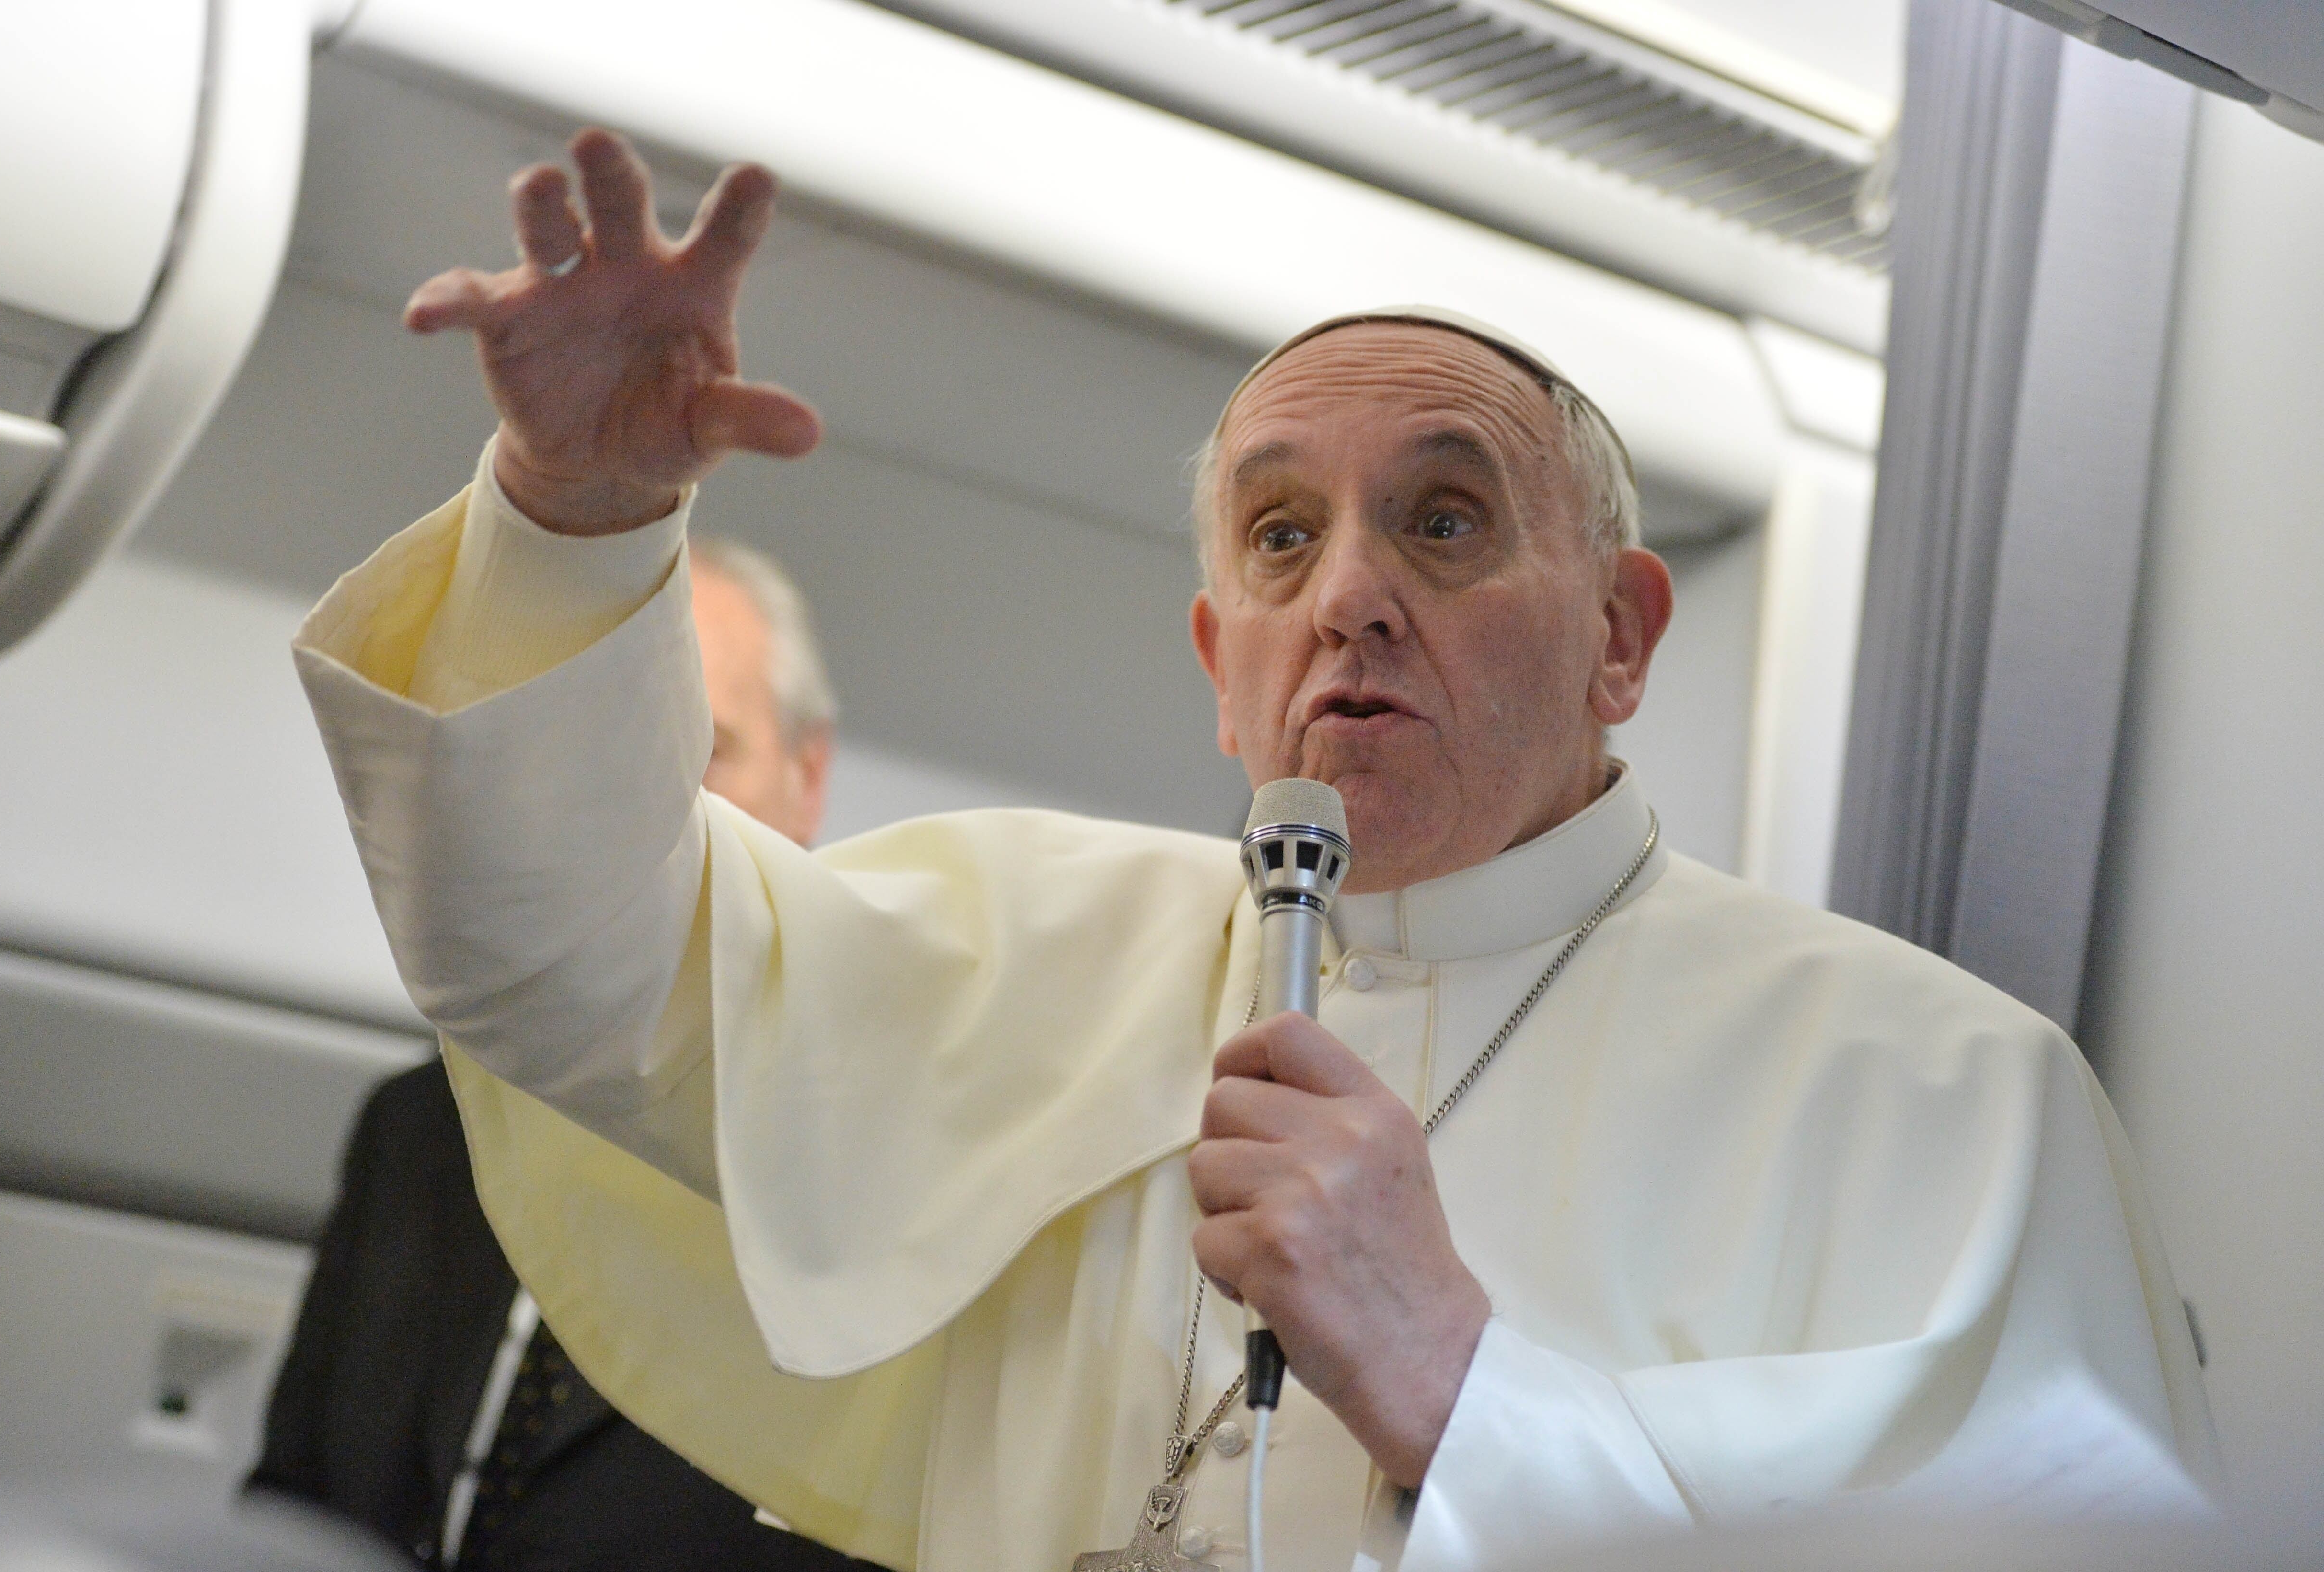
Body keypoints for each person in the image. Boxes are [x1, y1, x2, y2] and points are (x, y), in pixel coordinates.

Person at [290, 129, 2219, 1571]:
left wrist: (1472, 1396)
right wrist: (570, 523)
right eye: (1281, 538)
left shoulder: (1940, 1098)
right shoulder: (1022, 944)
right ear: (1224, 668)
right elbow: (563, 965)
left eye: (1446, 521)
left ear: (1619, 635)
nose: (1353, 593)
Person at [253, 531, 863, 1572]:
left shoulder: (878, 1178)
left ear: (807, 779)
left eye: (705, 746)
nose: (654, 802)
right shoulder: (419, 1127)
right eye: (606, 754)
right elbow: (287, 1506)